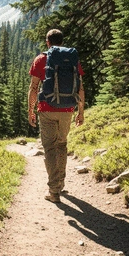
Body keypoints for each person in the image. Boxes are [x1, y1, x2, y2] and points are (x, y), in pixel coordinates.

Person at [28, 28, 85, 203]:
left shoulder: (41, 59)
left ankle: (54, 191)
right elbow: (80, 88)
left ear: (48, 42)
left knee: (50, 148)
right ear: (62, 41)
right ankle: (59, 183)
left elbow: (34, 88)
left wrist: (31, 109)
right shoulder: (72, 59)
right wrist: (80, 112)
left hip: (46, 109)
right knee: (62, 145)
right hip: (67, 109)